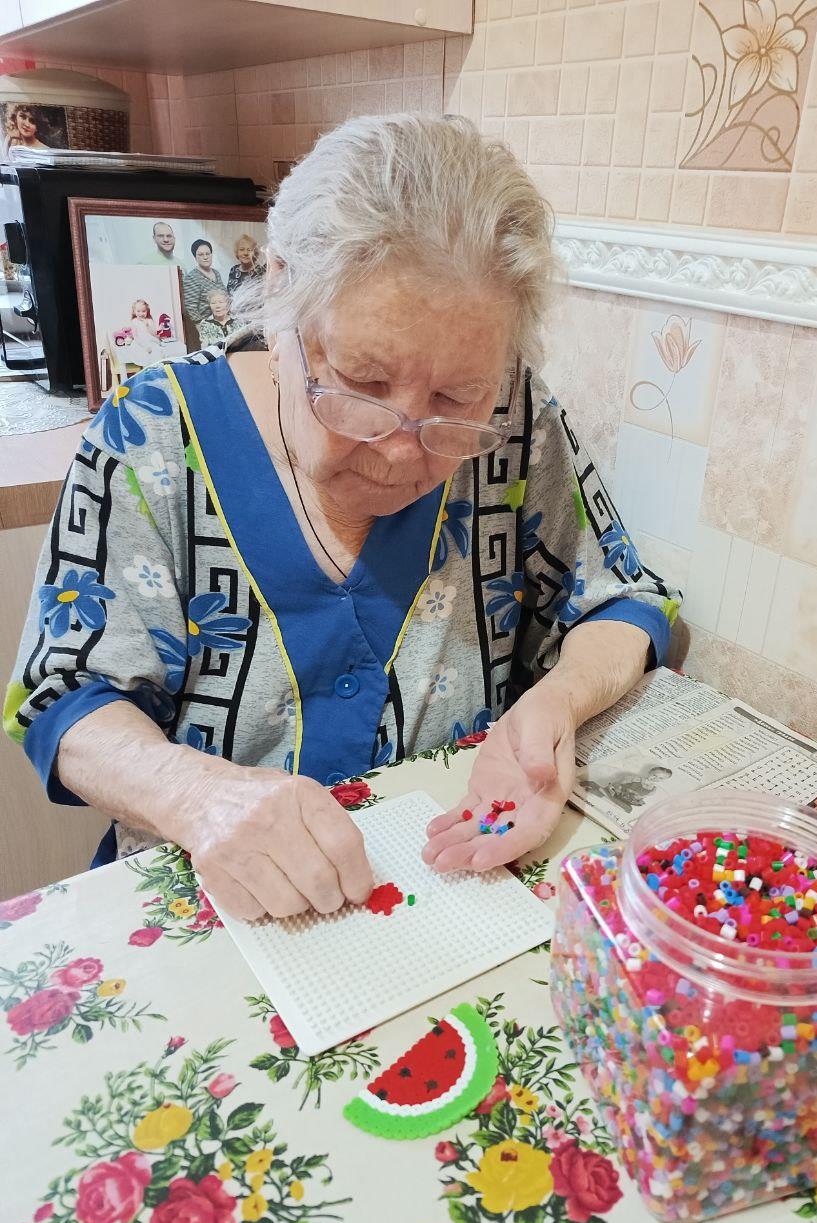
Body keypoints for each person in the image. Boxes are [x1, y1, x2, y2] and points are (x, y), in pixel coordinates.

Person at [5, 115, 681, 924]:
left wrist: (557, 702)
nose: (403, 449)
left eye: (455, 399)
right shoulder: (150, 435)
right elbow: (66, 695)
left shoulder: (515, 419)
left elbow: (621, 600)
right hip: (218, 915)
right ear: (280, 289)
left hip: (450, 899)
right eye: (362, 381)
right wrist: (195, 795)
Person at [581, 765, 674, 815]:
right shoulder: (635, 778)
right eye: (654, 775)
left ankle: (597, 789)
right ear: (649, 772)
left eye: (660, 778)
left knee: (628, 809)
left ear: (663, 780)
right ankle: (596, 790)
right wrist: (616, 788)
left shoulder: (653, 789)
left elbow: (640, 798)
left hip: (626, 800)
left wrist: (637, 798)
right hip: (617, 793)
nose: (655, 778)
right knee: (614, 798)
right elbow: (618, 783)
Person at [182, 238, 225, 323]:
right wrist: (203, 327)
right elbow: (191, 309)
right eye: (201, 255)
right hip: (207, 324)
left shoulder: (216, 273)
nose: (205, 257)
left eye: (207, 254)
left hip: (222, 321)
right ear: (195, 257)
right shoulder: (192, 277)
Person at [126, 298, 162, 367]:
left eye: (143, 311)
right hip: (140, 342)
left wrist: (147, 325)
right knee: (142, 354)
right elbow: (135, 336)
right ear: (134, 312)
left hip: (151, 340)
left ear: (147, 311)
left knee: (155, 353)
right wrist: (145, 346)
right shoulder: (134, 321)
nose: (141, 313)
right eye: (138, 311)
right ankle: (146, 369)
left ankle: (155, 368)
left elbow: (154, 333)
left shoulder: (149, 320)